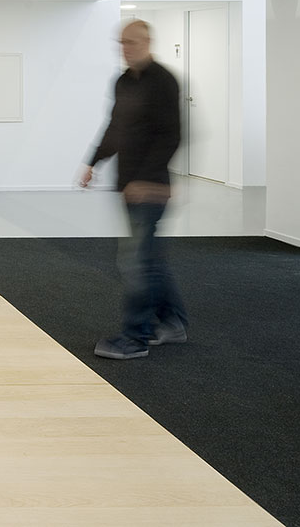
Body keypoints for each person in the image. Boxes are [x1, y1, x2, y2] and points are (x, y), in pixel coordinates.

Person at [79, 19, 185, 360]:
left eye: (132, 43)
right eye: (121, 43)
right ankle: (173, 322)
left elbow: (172, 135)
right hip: (129, 187)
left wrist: (147, 178)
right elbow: (115, 126)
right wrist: (94, 161)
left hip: (151, 189)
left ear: (148, 42)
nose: (125, 49)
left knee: (136, 262)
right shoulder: (123, 81)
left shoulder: (163, 81)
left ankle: (136, 337)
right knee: (149, 259)